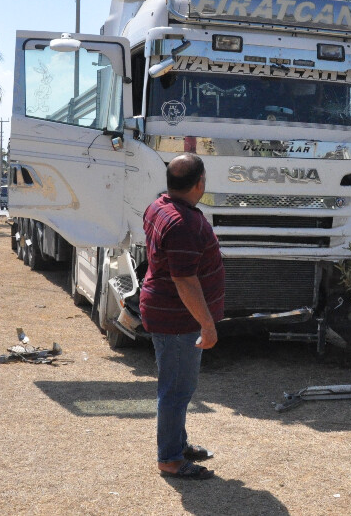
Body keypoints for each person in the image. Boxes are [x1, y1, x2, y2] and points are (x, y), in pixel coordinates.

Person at [140, 153, 224, 481]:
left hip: (168, 313)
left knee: (178, 387)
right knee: (176, 389)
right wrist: (207, 324)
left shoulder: (159, 206)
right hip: (177, 320)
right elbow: (184, 281)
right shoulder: (183, 224)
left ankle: (178, 443)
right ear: (199, 183)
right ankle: (171, 460)